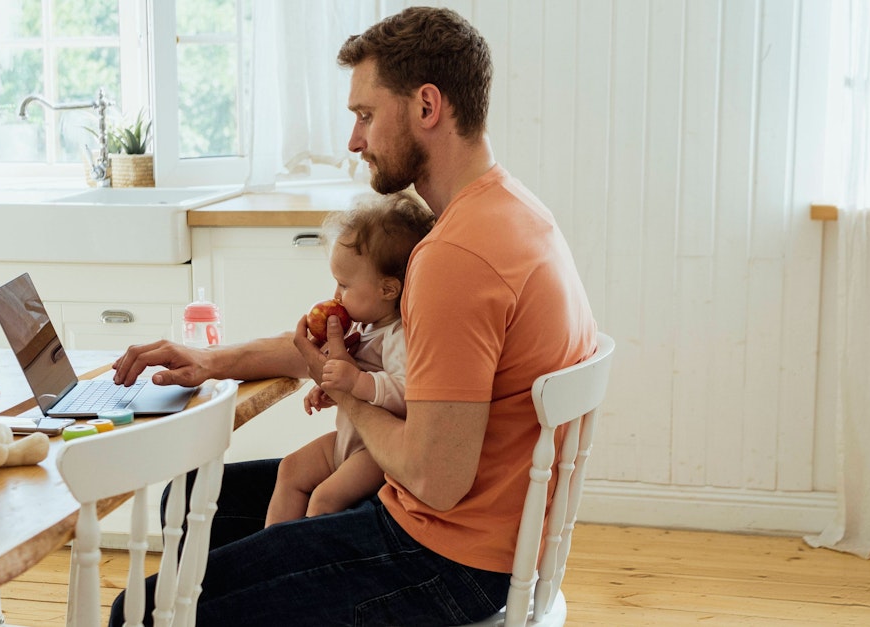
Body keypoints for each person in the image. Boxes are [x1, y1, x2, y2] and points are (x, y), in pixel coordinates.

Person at [108, 6, 599, 625]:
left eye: (365, 115)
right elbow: (358, 350)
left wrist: (346, 393)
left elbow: (434, 476)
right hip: (481, 532)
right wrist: (213, 360)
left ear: (427, 107)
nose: (353, 140)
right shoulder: (506, 211)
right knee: (190, 499)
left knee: (141, 611)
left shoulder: (457, 258)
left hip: (445, 554)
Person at [268, 192, 435, 527]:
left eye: (344, 285)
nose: (336, 296)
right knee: (291, 469)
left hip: (375, 453)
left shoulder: (398, 335)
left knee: (325, 498)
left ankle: (306, 562)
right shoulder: (362, 326)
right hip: (348, 438)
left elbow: (406, 393)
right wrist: (333, 391)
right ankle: (272, 552)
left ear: (388, 290)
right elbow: (353, 383)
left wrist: (355, 382)